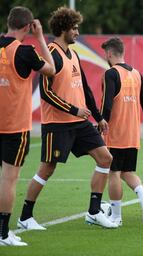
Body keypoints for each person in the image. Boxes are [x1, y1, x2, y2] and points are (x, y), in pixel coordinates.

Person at [17, 6, 117, 230]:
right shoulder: (51, 54)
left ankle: (93, 212)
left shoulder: (74, 54)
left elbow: (86, 89)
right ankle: (24, 217)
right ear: (64, 29)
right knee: (47, 169)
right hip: (57, 125)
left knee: (105, 159)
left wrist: (99, 117)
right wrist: (74, 109)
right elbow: (46, 92)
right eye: (75, 28)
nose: (78, 32)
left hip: (80, 123)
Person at [0, 6, 55, 246]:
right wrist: (41, 37)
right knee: (9, 179)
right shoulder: (24, 51)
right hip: (13, 126)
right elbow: (52, 70)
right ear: (27, 27)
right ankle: (3, 233)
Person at [100, 37, 143, 227]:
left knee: (114, 173)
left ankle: (116, 216)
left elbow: (107, 104)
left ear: (109, 54)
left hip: (115, 133)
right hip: (133, 134)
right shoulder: (136, 74)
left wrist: (102, 123)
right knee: (128, 172)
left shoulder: (111, 74)